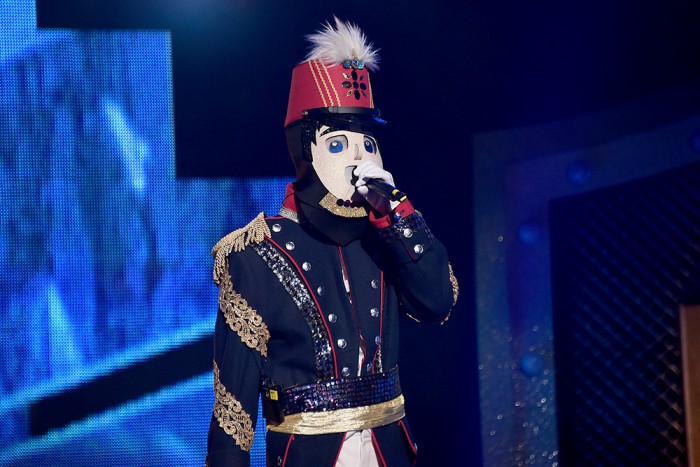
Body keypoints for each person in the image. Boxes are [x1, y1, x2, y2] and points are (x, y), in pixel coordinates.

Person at [206, 18, 458, 467]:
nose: (359, 159)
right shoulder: (253, 253)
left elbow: (438, 303)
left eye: (368, 144)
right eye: (338, 144)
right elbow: (233, 415)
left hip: (389, 450)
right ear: (304, 151)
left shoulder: (387, 238)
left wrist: (397, 213)